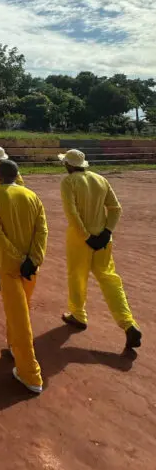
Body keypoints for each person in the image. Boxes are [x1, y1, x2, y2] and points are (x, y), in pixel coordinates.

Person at [58, 149, 141, 350]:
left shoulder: (68, 182)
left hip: (80, 240)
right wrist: (105, 233)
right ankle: (128, 323)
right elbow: (115, 208)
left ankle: (78, 315)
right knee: (109, 278)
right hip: (103, 240)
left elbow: (72, 213)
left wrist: (86, 236)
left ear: (68, 165)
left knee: (78, 276)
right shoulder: (100, 179)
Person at [0, 160, 48, 394]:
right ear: (17, 175)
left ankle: (30, 373)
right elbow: (42, 230)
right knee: (22, 309)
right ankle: (14, 347)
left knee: (20, 317)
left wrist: (18, 258)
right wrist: (33, 259)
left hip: (11, 267)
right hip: (31, 267)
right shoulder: (32, 196)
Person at [0, 145, 24, 288]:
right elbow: (20, 184)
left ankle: (2, 274)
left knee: (1, 240)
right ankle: (17, 268)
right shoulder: (11, 168)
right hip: (15, 205)